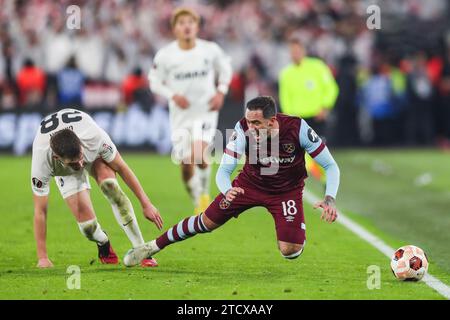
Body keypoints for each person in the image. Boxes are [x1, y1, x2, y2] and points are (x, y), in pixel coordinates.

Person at [140, 96, 340, 261]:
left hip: (286, 192)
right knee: (206, 223)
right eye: (249, 121)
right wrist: (228, 191)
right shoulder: (242, 129)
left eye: (256, 123)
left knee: (291, 251)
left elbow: (330, 165)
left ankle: (294, 232)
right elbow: (224, 171)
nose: (251, 127)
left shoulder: (297, 128)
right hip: (248, 186)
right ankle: (152, 246)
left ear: (272, 121)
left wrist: (329, 198)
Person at [31, 108, 163, 268]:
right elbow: (40, 210)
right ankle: (103, 241)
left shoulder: (93, 137)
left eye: (79, 158)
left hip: (91, 155)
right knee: (88, 228)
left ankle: (142, 251)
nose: (80, 165)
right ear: (56, 157)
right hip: (66, 173)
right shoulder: (42, 160)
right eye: (73, 163)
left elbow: (122, 167)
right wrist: (42, 257)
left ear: (80, 144)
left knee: (112, 188)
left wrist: (146, 203)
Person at [148, 7, 232, 214]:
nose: (186, 26)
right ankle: (196, 197)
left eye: (190, 22)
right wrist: (173, 95)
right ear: (174, 28)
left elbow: (226, 69)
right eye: (181, 23)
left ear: (196, 26)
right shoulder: (166, 55)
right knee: (186, 166)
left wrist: (221, 92)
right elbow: (154, 82)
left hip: (206, 110)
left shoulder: (210, 49)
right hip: (181, 115)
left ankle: (204, 197)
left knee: (199, 154)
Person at [278, 37, 339, 182]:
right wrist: (289, 118)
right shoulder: (286, 74)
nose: (295, 54)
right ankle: (324, 180)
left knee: (318, 153)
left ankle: (325, 179)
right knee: (304, 155)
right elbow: (285, 98)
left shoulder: (317, 67)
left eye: (298, 51)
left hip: (317, 117)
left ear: (304, 51)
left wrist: (325, 106)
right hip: (299, 121)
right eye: (292, 51)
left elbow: (331, 88)